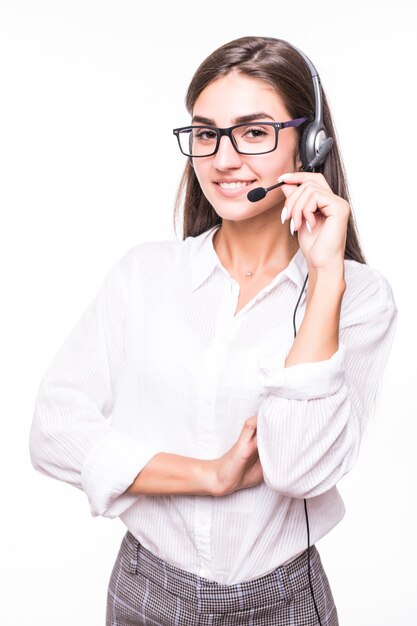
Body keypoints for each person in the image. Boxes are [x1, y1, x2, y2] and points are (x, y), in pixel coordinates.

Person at [30, 36, 397, 625]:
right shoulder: (144, 274)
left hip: (281, 601)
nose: (223, 159)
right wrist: (206, 475)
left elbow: (300, 468)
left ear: (309, 144)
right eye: (206, 133)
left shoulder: (359, 296)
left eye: (253, 132)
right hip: (144, 589)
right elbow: (53, 428)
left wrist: (325, 275)